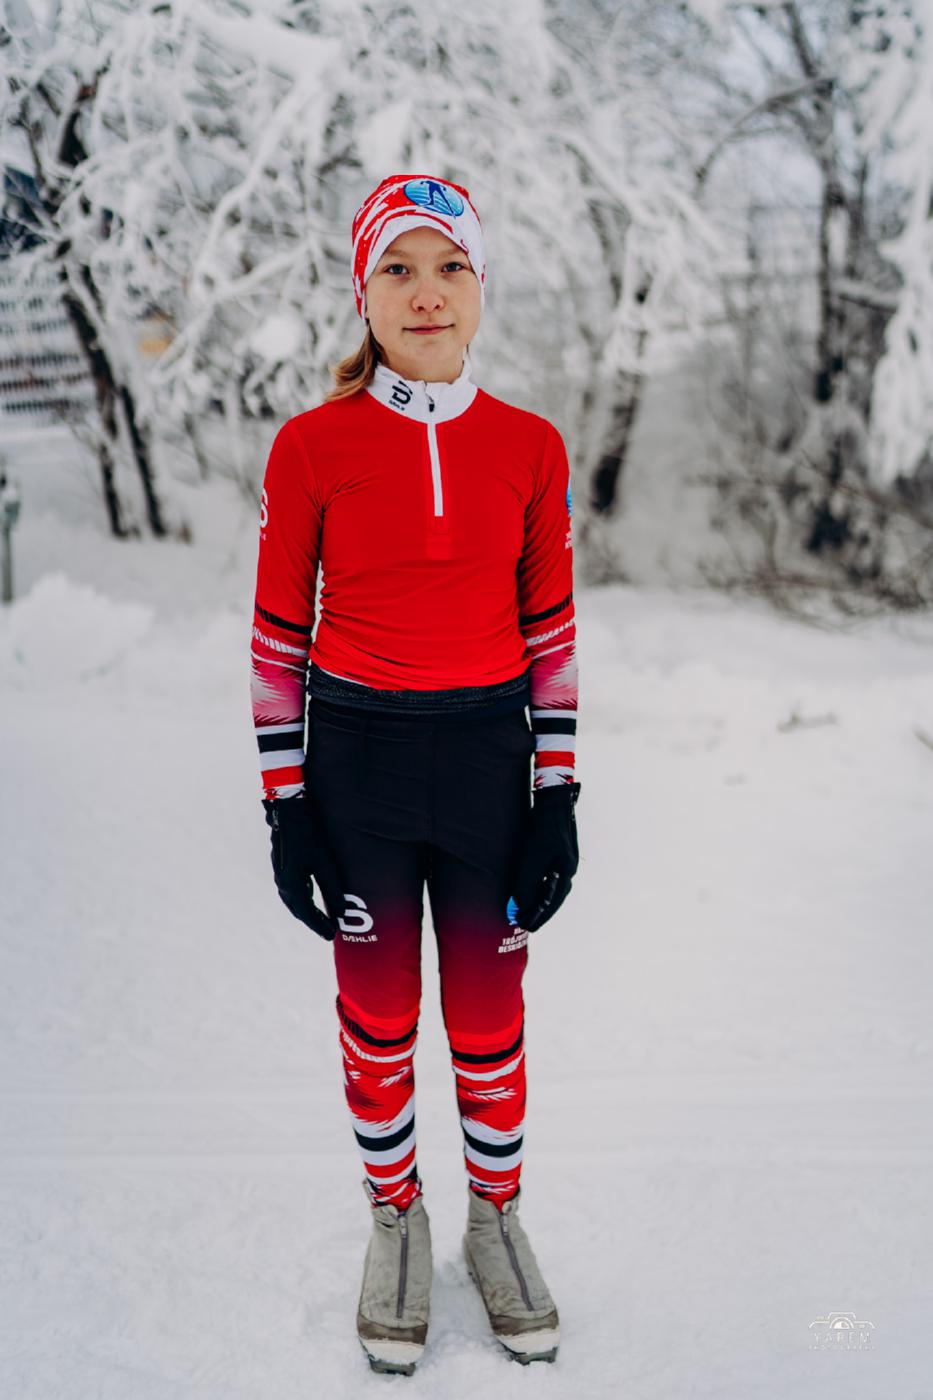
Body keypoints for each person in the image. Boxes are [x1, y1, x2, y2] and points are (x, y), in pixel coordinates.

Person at [249, 173, 581, 1375]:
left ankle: (496, 1218)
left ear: (480, 284)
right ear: (364, 292)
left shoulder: (529, 446)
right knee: (379, 1015)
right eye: (398, 267)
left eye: (449, 266)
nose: (426, 292)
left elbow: (552, 634)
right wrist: (288, 811)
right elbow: (276, 641)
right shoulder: (313, 445)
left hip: (490, 766)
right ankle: (397, 1217)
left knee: (489, 1016)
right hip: (360, 770)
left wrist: (559, 796)